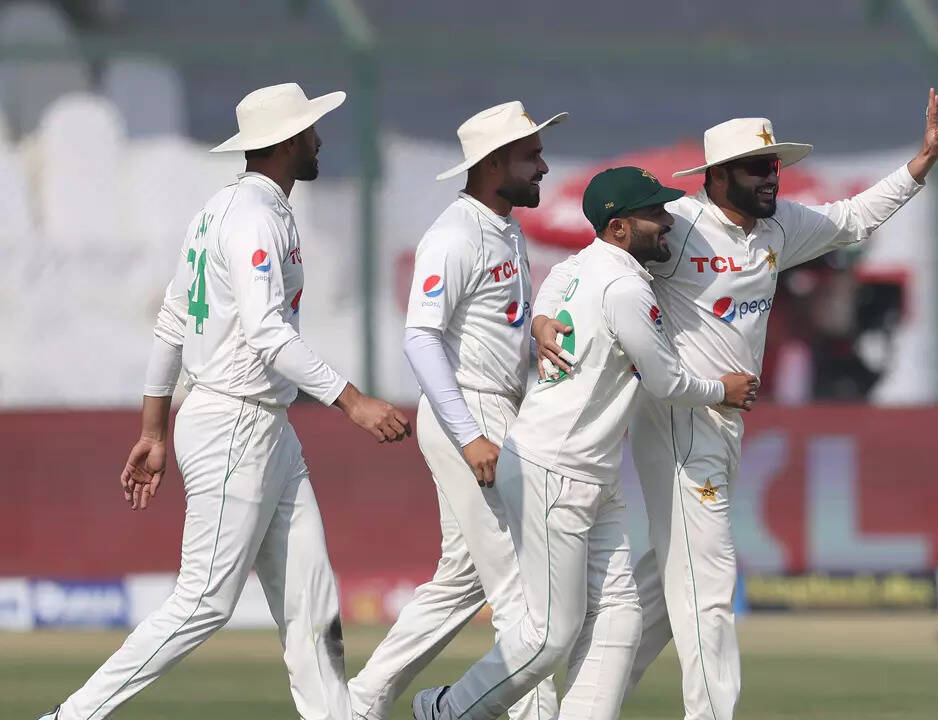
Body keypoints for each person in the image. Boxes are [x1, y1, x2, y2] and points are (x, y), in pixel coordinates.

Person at [533, 92, 938, 719]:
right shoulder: (678, 224)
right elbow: (583, 265)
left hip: (721, 424)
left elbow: (852, 219)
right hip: (679, 417)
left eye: (773, 166)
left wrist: (916, 168)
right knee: (711, 584)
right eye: (757, 168)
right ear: (718, 175)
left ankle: (584, 709)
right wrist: (543, 316)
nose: (771, 178)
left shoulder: (778, 228)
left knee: (665, 586)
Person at [37, 83, 410, 720]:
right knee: (203, 601)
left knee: (310, 598)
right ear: (287, 142)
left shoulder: (218, 211)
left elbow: (173, 321)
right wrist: (353, 402)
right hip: (236, 420)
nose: (319, 139)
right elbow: (267, 334)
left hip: (262, 426)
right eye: (309, 131)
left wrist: (153, 429)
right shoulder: (253, 218)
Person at [410, 166, 758, 720]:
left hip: (589, 471)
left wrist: (541, 318)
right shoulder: (625, 288)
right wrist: (723, 390)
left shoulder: (587, 265)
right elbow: (665, 381)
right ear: (619, 228)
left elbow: (556, 279)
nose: (668, 222)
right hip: (557, 470)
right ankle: (449, 710)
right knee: (551, 636)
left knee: (620, 617)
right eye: (654, 213)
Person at [348, 101, 565, 720]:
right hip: (470, 412)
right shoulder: (454, 235)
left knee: (462, 580)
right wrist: (470, 435)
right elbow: (421, 339)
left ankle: (357, 704)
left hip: (493, 409)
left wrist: (536, 333)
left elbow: (491, 328)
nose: (543, 167)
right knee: (523, 587)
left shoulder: (504, 228)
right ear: (493, 163)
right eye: (531, 156)